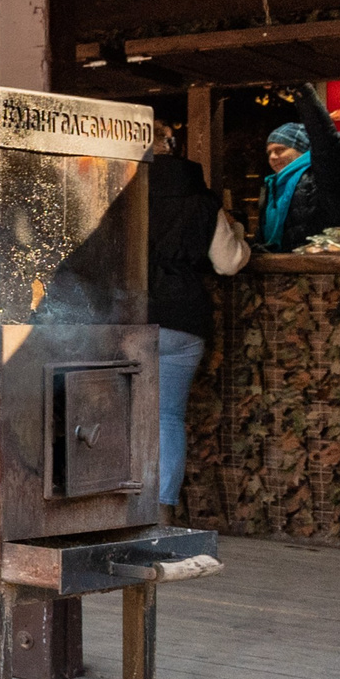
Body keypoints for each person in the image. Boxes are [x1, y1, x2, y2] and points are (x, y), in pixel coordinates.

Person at [147, 131, 223, 518]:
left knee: (115, 413)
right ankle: (163, 511)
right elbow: (228, 262)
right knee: (168, 418)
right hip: (185, 319)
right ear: (175, 149)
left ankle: (116, 506)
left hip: (132, 319)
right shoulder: (204, 202)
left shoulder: (122, 193)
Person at [259, 85, 340, 253]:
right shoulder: (271, 185)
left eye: (280, 150)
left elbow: (326, 141)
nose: (273, 157)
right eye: (269, 153)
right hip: (283, 270)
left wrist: (303, 93)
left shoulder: (321, 176)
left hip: (321, 269)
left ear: (302, 150)